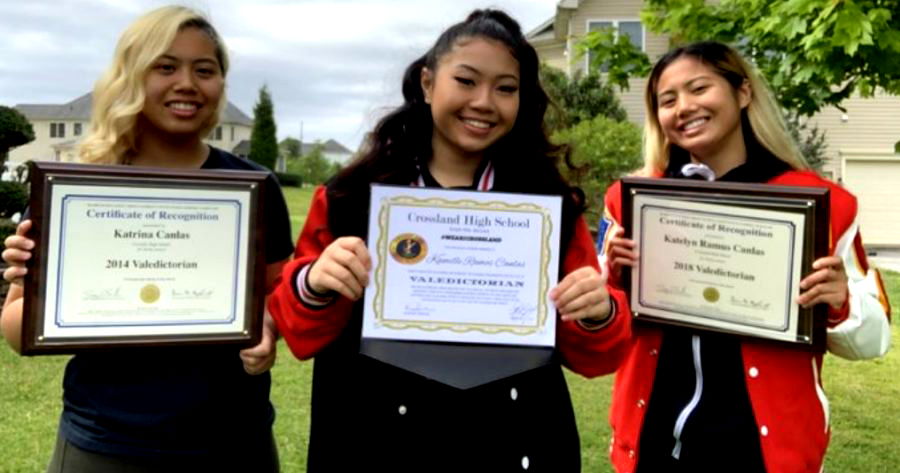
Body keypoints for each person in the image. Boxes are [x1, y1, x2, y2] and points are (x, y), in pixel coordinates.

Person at [266, 9, 631, 472]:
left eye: (505, 88)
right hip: (372, 437)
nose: (484, 102)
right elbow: (299, 329)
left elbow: (597, 354)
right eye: (466, 80)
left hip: (512, 437)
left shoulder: (546, 206)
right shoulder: (351, 197)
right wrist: (316, 280)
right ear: (426, 83)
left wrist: (597, 311)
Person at [0, 6, 293, 471]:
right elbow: (17, 331)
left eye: (205, 70)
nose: (187, 83)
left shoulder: (253, 187)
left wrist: (269, 328)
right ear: (132, 76)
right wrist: (32, 283)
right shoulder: (76, 190)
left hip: (234, 443)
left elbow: (280, 297)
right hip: (106, 444)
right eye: (165, 66)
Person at [598, 41, 892, 473]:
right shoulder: (629, 203)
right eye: (667, 99)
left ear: (743, 92)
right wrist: (615, 284)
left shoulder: (824, 205)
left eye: (699, 88)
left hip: (765, 454)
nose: (684, 107)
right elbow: (601, 335)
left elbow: (874, 338)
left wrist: (840, 302)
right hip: (652, 444)